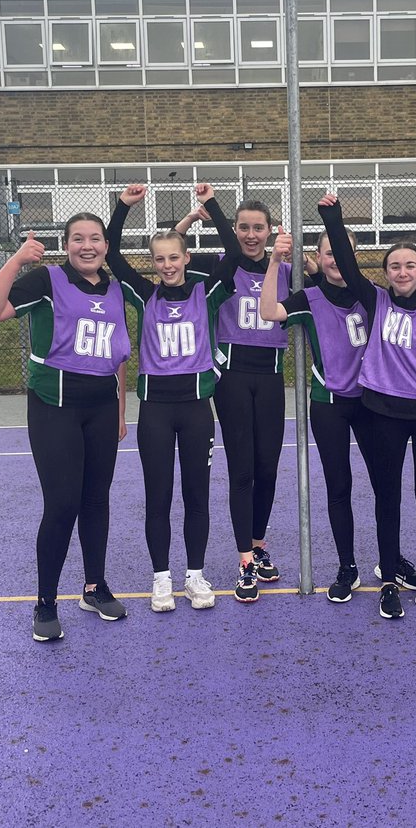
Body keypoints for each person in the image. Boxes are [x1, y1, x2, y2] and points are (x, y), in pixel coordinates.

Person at [0, 214, 130, 642]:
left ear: (105, 246)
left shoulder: (115, 289)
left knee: (97, 500)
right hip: (54, 408)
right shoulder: (46, 281)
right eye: (78, 239)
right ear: (66, 245)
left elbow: (117, 359)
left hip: (100, 409)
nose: (87, 246)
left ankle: (94, 588)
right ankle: (45, 602)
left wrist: (119, 413)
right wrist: (17, 260)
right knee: (62, 505)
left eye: (95, 239)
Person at [259, 223, 416, 603]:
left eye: (344, 252)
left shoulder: (375, 296)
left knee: (386, 486)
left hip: (373, 403)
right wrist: (275, 260)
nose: (337, 259)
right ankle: (347, 565)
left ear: (355, 257)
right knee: (339, 486)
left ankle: (390, 560)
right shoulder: (310, 297)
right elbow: (268, 310)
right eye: (330, 252)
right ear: (319, 257)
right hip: (330, 403)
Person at [104, 183, 243, 611]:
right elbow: (111, 256)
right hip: (156, 411)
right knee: (159, 494)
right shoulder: (145, 296)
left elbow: (235, 255)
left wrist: (212, 205)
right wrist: (122, 208)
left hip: (198, 408)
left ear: (186, 258)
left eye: (174, 257)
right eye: (159, 259)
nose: (167, 265)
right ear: (154, 263)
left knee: (197, 494)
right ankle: (161, 578)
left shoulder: (207, 292)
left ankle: (195, 577)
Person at [318, 195, 416, 619]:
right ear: (386, 273)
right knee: (388, 497)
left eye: (409, 265)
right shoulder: (376, 301)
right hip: (383, 414)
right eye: (394, 266)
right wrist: (333, 217)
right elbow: (344, 258)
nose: (402, 272)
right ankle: (390, 579)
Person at [180, 199, 292, 602]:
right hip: (233, 377)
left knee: (269, 468)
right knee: (242, 468)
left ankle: (258, 544)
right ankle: (244, 558)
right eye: (242, 227)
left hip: (272, 376)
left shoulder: (285, 269)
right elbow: (172, 250)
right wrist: (196, 215)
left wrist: (304, 259)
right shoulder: (219, 266)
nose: (249, 235)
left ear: (270, 230)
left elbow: (325, 284)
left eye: (257, 228)